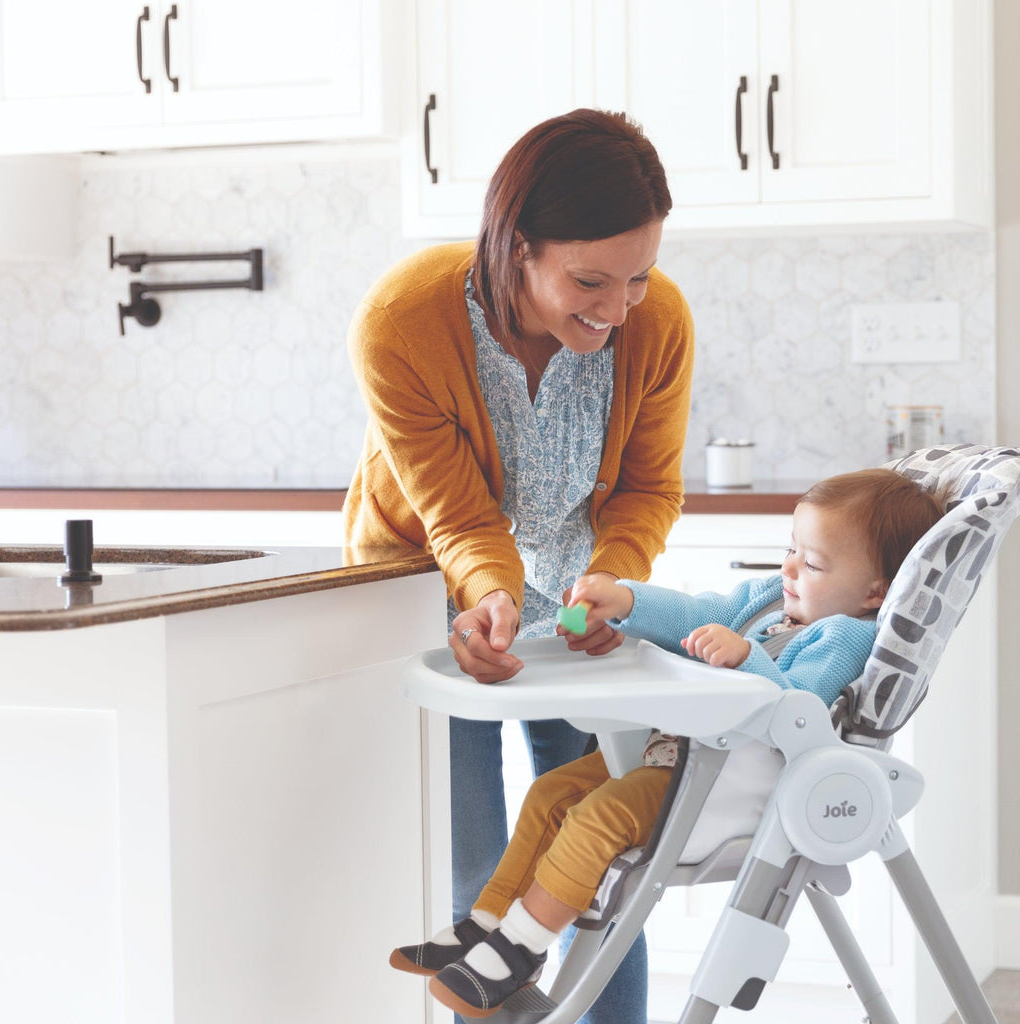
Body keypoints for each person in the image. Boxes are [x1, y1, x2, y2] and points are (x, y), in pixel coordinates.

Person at [345, 109, 693, 1024]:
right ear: (515, 246)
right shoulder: (402, 322)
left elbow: (649, 488)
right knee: (470, 852)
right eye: (588, 280)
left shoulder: (655, 326)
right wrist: (491, 598)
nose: (619, 309)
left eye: (639, 278)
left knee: (600, 848)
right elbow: (456, 516)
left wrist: (613, 580)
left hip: (583, 598)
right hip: (430, 582)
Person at [388, 468, 944, 1020]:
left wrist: (748, 659)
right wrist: (624, 599)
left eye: (814, 563)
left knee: (594, 819)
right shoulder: (771, 602)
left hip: (726, 786)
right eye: (791, 549)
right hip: (678, 757)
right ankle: (486, 924)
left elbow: (801, 710)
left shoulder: (842, 634)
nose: (789, 569)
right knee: (550, 793)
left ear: (876, 590)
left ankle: (520, 947)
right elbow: (700, 612)